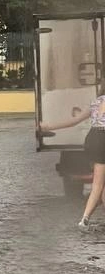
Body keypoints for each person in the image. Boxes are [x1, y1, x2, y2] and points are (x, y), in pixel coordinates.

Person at [40, 92, 105, 229]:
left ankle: (86, 218)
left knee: (101, 185)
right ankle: (84, 219)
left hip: (92, 139)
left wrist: (48, 126)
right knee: (98, 185)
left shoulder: (98, 101)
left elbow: (74, 121)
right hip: (103, 140)